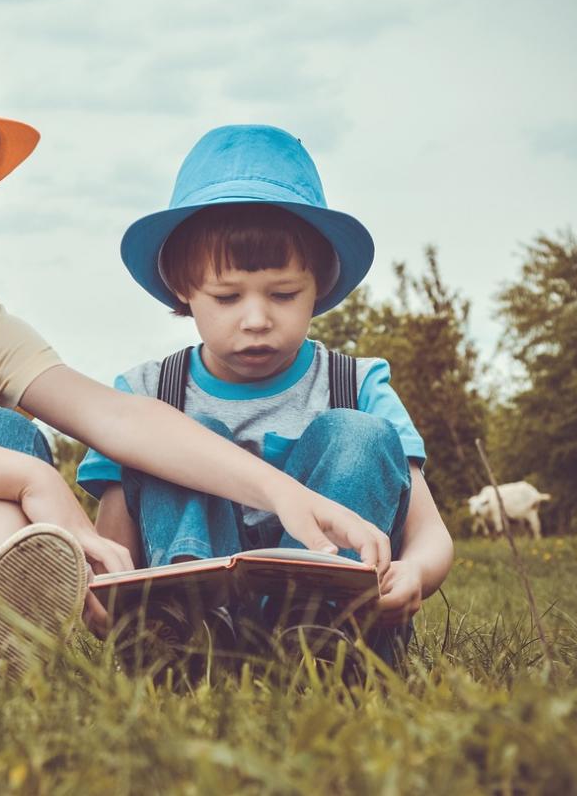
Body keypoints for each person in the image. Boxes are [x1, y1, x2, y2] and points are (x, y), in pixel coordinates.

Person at [0, 34, 391, 680]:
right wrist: (32, 479)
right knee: (10, 460)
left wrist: (281, 491)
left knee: (4, 434)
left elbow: (119, 419)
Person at [78, 124, 454, 666]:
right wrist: (107, 596)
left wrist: (414, 573)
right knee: (176, 437)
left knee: (355, 432)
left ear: (319, 284)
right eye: (227, 297)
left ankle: (321, 631)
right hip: (192, 634)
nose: (256, 320)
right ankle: (187, 629)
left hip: (342, 624)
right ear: (184, 289)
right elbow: (114, 553)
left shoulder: (356, 384)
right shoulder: (146, 394)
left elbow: (432, 535)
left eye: (283, 294)